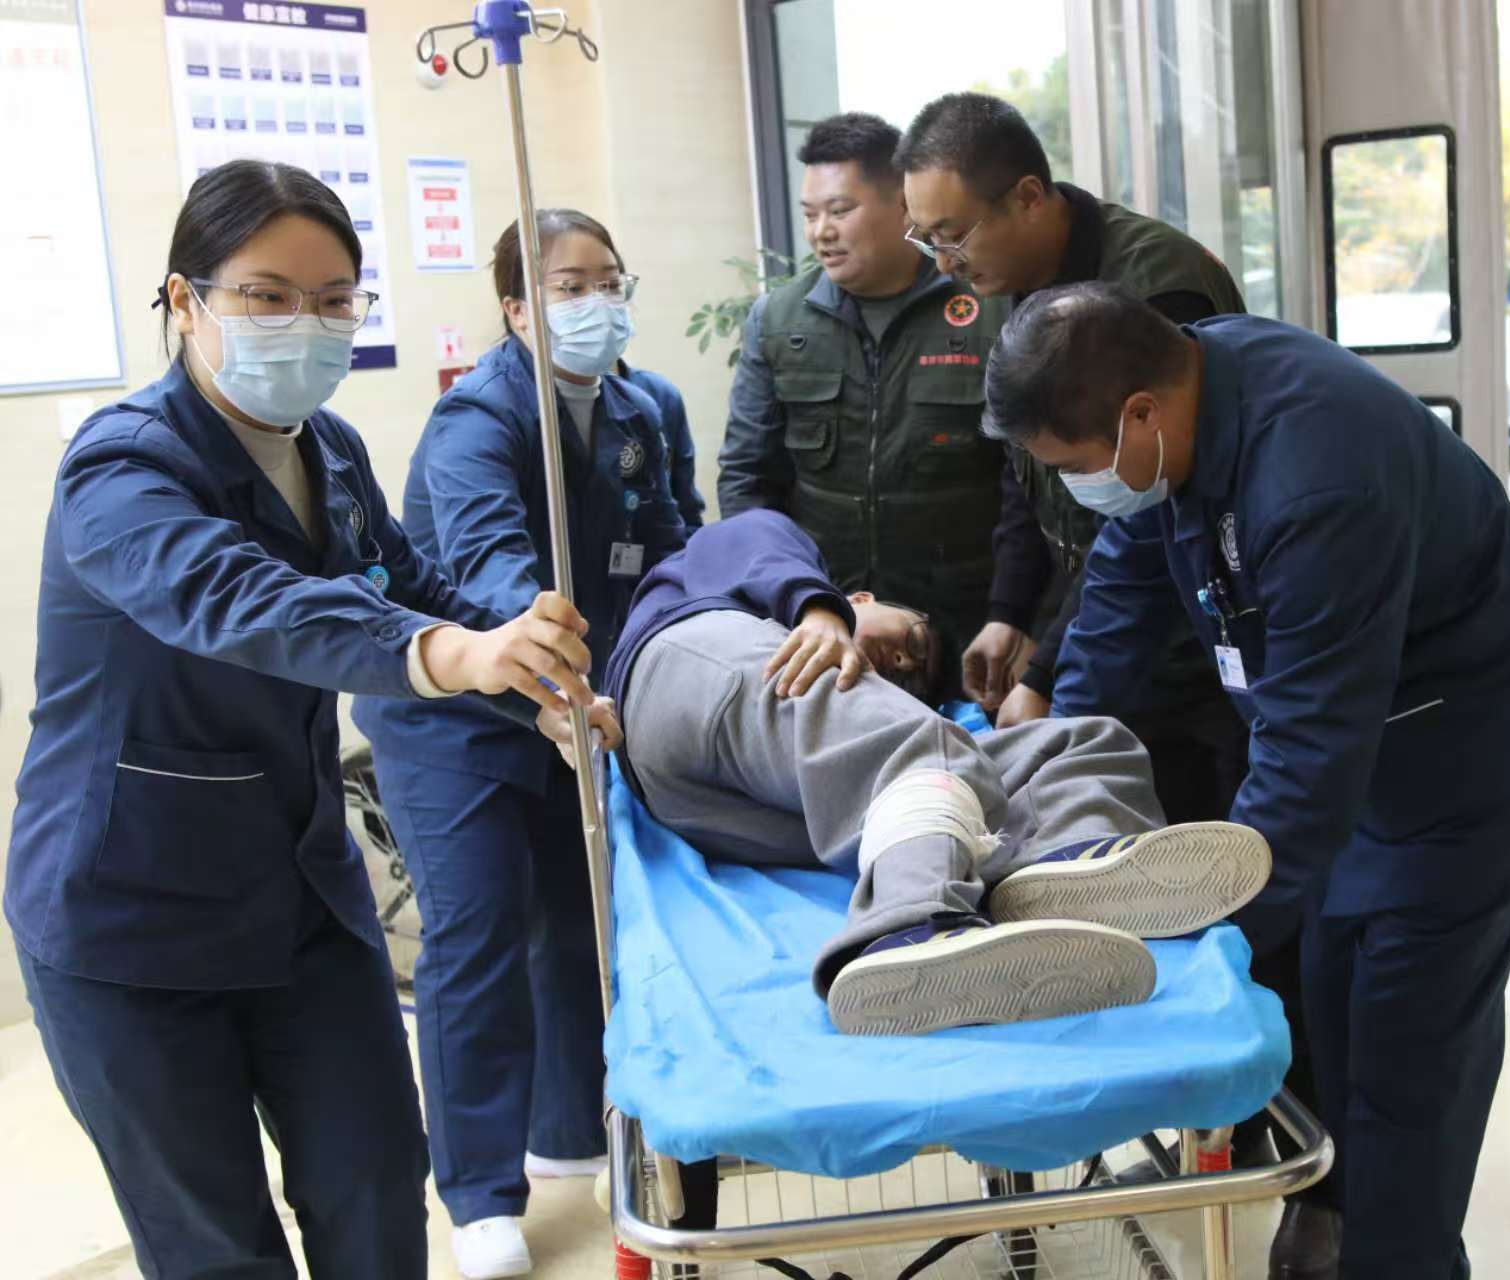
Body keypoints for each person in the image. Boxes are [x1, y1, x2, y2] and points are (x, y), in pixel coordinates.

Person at [4, 160, 607, 1280]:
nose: (307, 324)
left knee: (374, 1182)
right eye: (267, 295)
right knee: (216, 1242)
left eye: (334, 299)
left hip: (301, 893)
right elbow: (245, 600)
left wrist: (531, 667)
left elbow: (412, 583)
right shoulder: (120, 467)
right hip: (129, 913)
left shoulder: (327, 448)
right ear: (185, 301)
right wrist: (444, 654)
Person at [980, 282, 1510, 1280]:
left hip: (1470, 762)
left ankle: (1396, 1260)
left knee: (1404, 1047)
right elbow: (1124, 595)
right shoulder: (1181, 408)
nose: (1073, 485)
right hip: (1356, 743)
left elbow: (1310, 759)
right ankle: (1336, 1215)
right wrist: (1051, 766)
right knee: (1329, 999)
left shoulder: (1318, 477)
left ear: (1137, 413)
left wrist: (1192, 937)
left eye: (1068, 465)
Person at [897, 91, 1325, 1273]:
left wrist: (1055, 677)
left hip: (1200, 643)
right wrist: (1016, 629)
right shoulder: (1016, 291)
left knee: (1240, 886)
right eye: (926, 236)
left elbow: (1145, 517)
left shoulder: (1154, 292)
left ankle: (1261, 1116)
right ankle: (1178, 1090)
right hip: (1118, 620)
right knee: (1109, 846)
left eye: (949, 232)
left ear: (1028, 198)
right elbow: (1038, 481)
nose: (940, 260)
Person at [351, 209, 696, 1279]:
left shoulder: (641, 407)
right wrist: (547, 669)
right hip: (454, 716)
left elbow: (672, 541)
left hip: (577, 700)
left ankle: (569, 1132)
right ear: (516, 309)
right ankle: (478, 1191)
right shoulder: (478, 421)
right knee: (478, 928)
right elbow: (489, 570)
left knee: (580, 916)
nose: (597, 303)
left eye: (609, 280)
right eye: (568, 286)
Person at [599, 508, 1273, 1036]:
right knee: (930, 754)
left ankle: (1062, 862)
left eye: (911, 677)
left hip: (742, 807)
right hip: (687, 671)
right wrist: (820, 610)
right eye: (912, 642)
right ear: (861, 596)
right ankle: (907, 930)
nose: (900, 665)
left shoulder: (878, 732)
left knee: (1075, 741)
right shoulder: (782, 583)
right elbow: (753, 535)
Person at [717, 112, 1008, 649]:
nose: (820, 231)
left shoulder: (988, 310)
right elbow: (747, 480)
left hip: (969, 625)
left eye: (840, 210)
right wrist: (794, 595)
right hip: (823, 620)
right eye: (810, 214)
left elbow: (1024, 483)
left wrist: (1011, 615)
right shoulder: (778, 320)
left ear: (903, 204)